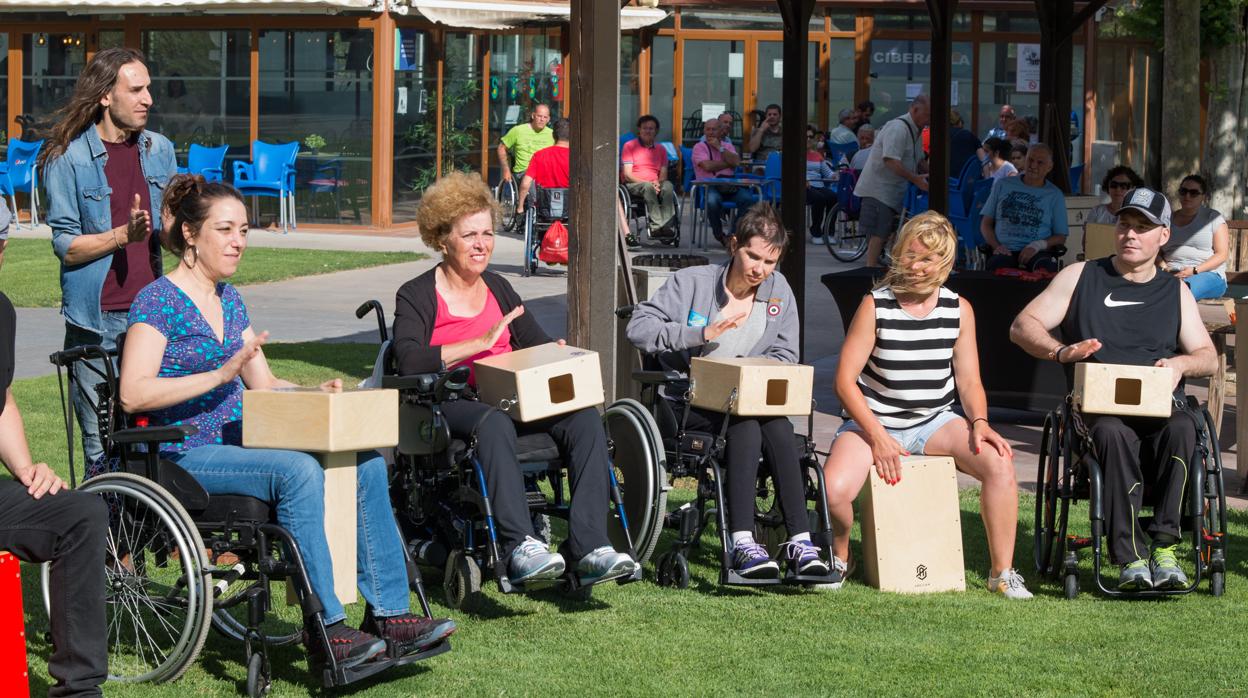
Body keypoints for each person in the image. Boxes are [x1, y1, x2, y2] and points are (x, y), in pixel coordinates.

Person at [120, 175, 456, 670]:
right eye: (226, 230)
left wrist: (310, 392)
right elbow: (133, 392)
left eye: (245, 231)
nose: (238, 241)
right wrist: (219, 374)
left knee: (363, 462)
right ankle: (326, 628)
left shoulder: (229, 300)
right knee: (297, 469)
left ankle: (389, 615)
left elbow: (263, 383)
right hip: (181, 452)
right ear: (190, 235)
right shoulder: (157, 301)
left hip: (244, 440)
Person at [391, 172, 638, 587]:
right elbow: (409, 359)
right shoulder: (416, 294)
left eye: (487, 233)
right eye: (469, 234)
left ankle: (589, 546)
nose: (481, 244)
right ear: (441, 238)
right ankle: (519, 545)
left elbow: (533, 341)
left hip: (512, 398)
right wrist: (478, 342)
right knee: (493, 423)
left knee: (584, 420)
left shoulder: (499, 288)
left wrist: (553, 352)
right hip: (452, 401)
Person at [1009, 187, 1217, 590]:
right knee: (1111, 431)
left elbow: (1207, 355)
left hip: (1159, 407)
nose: (1131, 235)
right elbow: (1022, 325)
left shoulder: (1175, 291)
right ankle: (1131, 559)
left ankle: (1163, 546)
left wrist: (1181, 363)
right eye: (1125, 224)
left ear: (1164, 235)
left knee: (1184, 427)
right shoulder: (1081, 275)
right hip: (1097, 412)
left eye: (1143, 227)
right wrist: (1061, 351)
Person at [823, 212, 1032, 598]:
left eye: (925, 259)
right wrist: (878, 436)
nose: (915, 266)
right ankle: (840, 556)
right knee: (834, 490)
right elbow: (843, 381)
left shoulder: (959, 309)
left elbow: (969, 381)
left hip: (934, 420)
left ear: (945, 264)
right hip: (872, 420)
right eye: (908, 255)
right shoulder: (876, 304)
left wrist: (980, 421)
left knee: (1000, 465)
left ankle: (1002, 573)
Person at [625, 203, 829, 581]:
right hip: (691, 398)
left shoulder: (778, 290)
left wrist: (754, 373)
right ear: (734, 245)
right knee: (745, 427)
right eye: (752, 256)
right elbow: (639, 327)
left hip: (750, 397)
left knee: (780, 428)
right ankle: (741, 542)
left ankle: (800, 542)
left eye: (770, 262)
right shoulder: (693, 283)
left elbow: (786, 354)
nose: (759, 269)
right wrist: (698, 335)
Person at [41, 47, 178, 469]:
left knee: (154, 438)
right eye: (135, 90)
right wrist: (123, 235)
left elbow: (171, 234)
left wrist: (201, 230)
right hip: (94, 321)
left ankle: (150, 531)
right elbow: (66, 245)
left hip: (152, 317)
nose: (147, 99)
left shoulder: (160, 150)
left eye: (149, 89)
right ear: (105, 96)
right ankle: (104, 534)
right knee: (100, 446)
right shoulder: (68, 157)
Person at [0, 286, 109, 696]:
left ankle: (79, 689)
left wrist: (27, 469)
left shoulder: (1, 310)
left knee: (83, 514)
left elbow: (2, 401)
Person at [856, 94, 930, 267]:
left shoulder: (916, 130)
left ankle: (879, 270)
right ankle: (870, 272)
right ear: (915, 109)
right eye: (927, 115)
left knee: (888, 232)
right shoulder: (898, 128)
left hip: (894, 191)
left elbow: (919, 160)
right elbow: (890, 160)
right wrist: (916, 179)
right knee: (878, 233)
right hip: (879, 190)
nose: (929, 119)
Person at [980, 143, 1068, 273]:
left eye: (1040, 162)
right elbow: (985, 224)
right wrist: (997, 246)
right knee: (998, 268)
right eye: (1030, 160)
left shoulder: (1055, 195)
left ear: (1049, 167)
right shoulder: (1003, 185)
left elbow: (1061, 236)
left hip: (1037, 252)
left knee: (1044, 270)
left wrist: (1037, 246)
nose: (1033, 166)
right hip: (1005, 250)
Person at [1162, 174, 1230, 300]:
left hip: (1207, 273)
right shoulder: (1167, 220)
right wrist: (1164, 267)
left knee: (1182, 291)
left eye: (1193, 193)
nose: (1187, 196)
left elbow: (1222, 255)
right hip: (1170, 272)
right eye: (1183, 191)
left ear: (1203, 197)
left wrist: (1194, 271)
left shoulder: (1213, 218)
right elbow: (1155, 251)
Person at [692, 117, 754, 245]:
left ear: (721, 131)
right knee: (712, 201)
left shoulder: (727, 146)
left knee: (748, 199)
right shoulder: (699, 147)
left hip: (729, 184)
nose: (710, 133)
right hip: (709, 185)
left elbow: (736, 162)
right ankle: (720, 235)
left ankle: (733, 235)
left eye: (714, 129)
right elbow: (707, 166)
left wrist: (719, 148)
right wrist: (727, 164)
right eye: (707, 129)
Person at [621, 114, 679, 240]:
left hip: (654, 182)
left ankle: (667, 226)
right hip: (634, 184)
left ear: (656, 131)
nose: (648, 131)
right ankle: (657, 226)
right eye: (645, 128)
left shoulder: (661, 149)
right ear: (639, 130)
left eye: (651, 128)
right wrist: (650, 183)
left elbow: (663, 173)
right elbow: (628, 174)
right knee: (648, 187)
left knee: (668, 185)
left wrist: (658, 183)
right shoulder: (629, 146)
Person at [515, 117, 570, 215]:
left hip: (544, 209)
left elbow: (525, 184)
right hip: (569, 210)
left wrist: (520, 206)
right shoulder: (576, 158)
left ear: (553, 135)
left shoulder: (539, 155)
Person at [496, 103, 553, 186]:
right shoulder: (518, 130)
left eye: (545, 117)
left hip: (545, 172)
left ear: (548, 119)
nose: (542, 119)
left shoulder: (552, 134)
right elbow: (501, 148)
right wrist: (506, 169)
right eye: (539, 116)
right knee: (533, 181)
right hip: (524, 172)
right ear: (533, 116)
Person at [804, 125, 838, 244]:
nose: (808, 139)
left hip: (818, 185)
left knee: (834, 198)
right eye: (805, 136)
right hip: (803, 187)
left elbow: (827, 172)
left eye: (810, 137)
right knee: (819, 199)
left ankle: (829, 232)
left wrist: (835, 175)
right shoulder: (794, 153)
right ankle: (816, 232)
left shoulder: (817, 155)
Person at [948, 109, 982, 178]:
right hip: (965, 181)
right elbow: (984, 159)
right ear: (959, 122)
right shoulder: (968, 135)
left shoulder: (939, 136)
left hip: (947, 182)